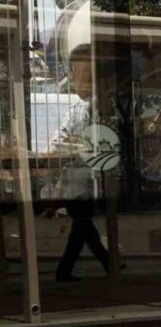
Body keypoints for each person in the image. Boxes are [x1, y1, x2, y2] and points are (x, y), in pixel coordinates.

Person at [50, 44, 111, 281]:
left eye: (76, 70)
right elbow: (60, 143)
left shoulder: (94, 107)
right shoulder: (80, 108)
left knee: (82, 225)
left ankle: (67, 271)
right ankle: (105, 264)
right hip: (80, 183)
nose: (72, 77)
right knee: (83, 225)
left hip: (82, 183)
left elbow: (60, 144)